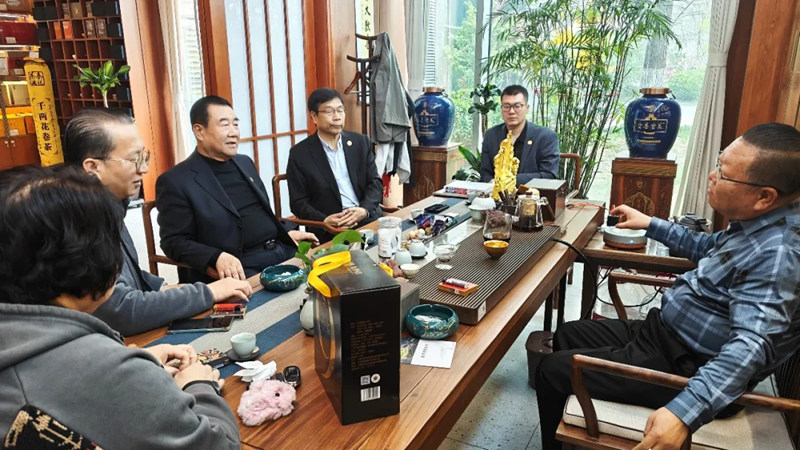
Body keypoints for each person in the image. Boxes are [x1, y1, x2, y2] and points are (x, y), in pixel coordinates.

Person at [535, 122, 800, 450]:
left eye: (724, 173)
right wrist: (651, 224)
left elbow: (751, 346)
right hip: (664, 335)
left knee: (551, 371)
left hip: (689, 365)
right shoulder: (762, 223)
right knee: (568, 334)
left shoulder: (779, 254)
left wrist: (684, 413)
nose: (712, 176)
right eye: (718, 164)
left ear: (764, 196)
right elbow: (707, 247)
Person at [0, 167, 239, 449]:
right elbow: (219, 445)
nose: (142, 168)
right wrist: (199, 386)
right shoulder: (110, 372)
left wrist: (130, 363)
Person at [63, 108, 252, 336]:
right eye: (133, 159)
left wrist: (166, 287)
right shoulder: (77, 220)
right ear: (93, 167)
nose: (143, 169)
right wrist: (208, 293)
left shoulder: (107, 204)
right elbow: (122, 311)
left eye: (143, 157)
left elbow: (127, 277)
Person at [156, 96, 317, 283]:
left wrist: (284, 233)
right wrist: (215, 257)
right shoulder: (177, 180)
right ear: (199, 131)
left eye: (235, 124)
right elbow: (173, 242)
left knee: (329, 277)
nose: (234, 133)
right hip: (239, 267)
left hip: (281, 250)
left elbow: (260, 214)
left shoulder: (244, 162)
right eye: (225, 125)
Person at [286, 87, 383, 242]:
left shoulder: (360, 142)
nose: (337, 117)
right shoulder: (300, 154)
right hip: (330, 229)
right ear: (314, 117)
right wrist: (324, 220)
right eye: (329, 111)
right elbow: (298, 202)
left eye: (340, 110)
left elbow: (375, 183)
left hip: (367, 220)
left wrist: (364, 210)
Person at [479, 85, 559, 185]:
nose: (511, 111)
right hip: (496, 193)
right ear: (501, 109)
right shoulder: (491, 135)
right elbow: (485, 173)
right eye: (506, 106)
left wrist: (509, 181)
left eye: (517, 106)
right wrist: (492, 182)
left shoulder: (545, 137)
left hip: (532, 194)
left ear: (527, 108)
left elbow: (549, 175)